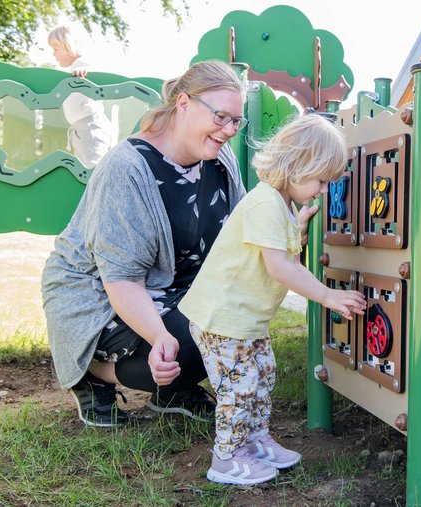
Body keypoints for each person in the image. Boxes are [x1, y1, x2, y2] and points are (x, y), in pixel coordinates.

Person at [42, 60, 319, 428]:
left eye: (236, 122)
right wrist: (159, 335)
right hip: (99, 294)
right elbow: (121, 279)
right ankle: (93, 370)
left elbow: (237, 238)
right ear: (184, 103)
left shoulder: (221, 159)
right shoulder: (126, 168)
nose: (229, 130)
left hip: (174, 288)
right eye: (221, 117)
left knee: (230, 322)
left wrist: (283, 235)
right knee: (191, 344)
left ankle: (172, 390)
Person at [178, 114, 367, 485]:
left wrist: (299, 228)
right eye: (321, 180)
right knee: (240, 385)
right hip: (222, 319)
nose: (323, 190)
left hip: (245, 319)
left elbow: (282, 249)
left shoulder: (281, 206)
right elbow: (280, 266)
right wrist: (328, 296)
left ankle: (255, 440)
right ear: (297, 166)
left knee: (263, 374)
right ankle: (227, 458)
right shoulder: (265, 203)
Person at [48, 24, 114, 167]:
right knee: (84, 167)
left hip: (91, 126)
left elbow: (95, 70)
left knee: (93, 167)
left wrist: (84, 70)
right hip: (81, 128)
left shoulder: (82, 64)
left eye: (55, 49)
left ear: (67, 46)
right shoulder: (71, 70)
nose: (53, 54)